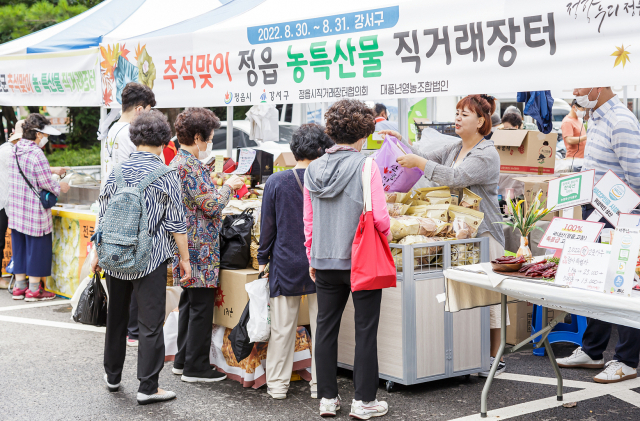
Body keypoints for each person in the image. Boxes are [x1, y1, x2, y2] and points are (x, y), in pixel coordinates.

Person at [379, 94, 508, 377]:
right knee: (467, 296)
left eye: (465, 113)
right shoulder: (454, 147)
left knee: (490, 299)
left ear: (481, 121)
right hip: (460, 233)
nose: (458, 117)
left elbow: (455, 177)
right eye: (458, 112)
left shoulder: (486, 154)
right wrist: (398, 140)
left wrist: (418, 161)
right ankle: (470, 353)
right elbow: (422, 157)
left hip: (484, 234)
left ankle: (494, 356)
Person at [91, 110, 191, 405]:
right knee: (149, 324)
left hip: (116, 255)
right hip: (150, 259)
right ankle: (148, 387)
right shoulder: (167, 174)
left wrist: (97, 252)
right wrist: (184, 259)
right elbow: (176, 223)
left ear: (135, 138)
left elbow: (103, 214)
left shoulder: (117, 172)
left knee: (117, 318)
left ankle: (112, 376)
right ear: (163, 140)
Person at [305, 99, 391, 419]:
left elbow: (309, 219)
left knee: (326, 328)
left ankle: (328, 398)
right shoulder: (367, 165)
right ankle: (363, 401)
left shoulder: (313, 168)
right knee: (365, 329)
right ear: (363, 133)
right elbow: (379, 217)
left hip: (324, 258)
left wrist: (311, 255)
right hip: (360, 259)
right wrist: (388, 236)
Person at [557, 87, 640, 384]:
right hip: (598, 216)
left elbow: (638, 178)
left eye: (580, 85)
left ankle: (627, 361)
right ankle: (593, 351)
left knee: (624, 290)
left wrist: (618, 209)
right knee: (596, 286)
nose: (576, 92)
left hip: (621, 220)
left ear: (601, 85)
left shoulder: (621, 122)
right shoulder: (597, 119)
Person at [259, 123, 333, 400]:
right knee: (322, 327)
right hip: (322, 261)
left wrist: (262, 259)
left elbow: (268, 227)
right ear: (321, 149)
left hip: (286, 262)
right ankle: (319, 386)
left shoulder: (276, 182)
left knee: (282, 329)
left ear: (294, 150)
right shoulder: (327, 178)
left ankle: (277, 386)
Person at [169, 108, 244, 383]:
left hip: (187, 242)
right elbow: (212, 206)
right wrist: (229, 186)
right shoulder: (189, 166)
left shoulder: (179, 162)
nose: (209, 144)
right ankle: (196, 367)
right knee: (200, 306)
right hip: (200, 245)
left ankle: (182, 359)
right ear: (198, 137)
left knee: (190, 303)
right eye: (209, 139)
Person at [102, 82, 157, 347]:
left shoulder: (113, 129)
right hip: (129, 209)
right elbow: (138, 174)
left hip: (113, 207)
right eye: (147, 111)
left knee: (120, 272)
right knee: (134, 268)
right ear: (138, 109)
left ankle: (127, 331)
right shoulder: (128, 134)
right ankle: (134, 330)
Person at [7, 114, 70, 301]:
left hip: (17, 210)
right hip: (34, 212)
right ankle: (34, 290)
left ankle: (19, 288)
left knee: (19, 248)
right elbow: (47, 184)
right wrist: (61, 187)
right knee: (37, 249)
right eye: (45, 135)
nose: (46, 138)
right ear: (37, 134)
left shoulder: (15, 149)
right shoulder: (36, 154)